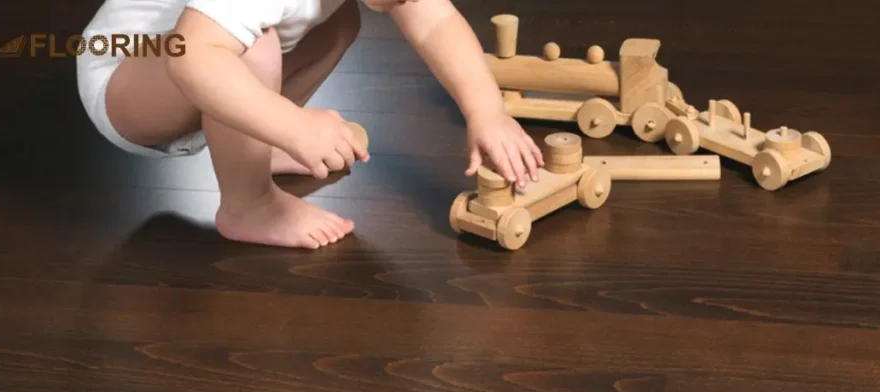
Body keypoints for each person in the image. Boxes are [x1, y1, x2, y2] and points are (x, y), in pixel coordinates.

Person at [76, 0, 544, 249]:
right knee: (249, 48)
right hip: (125, 78)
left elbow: (436, 22)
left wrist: (487, 111)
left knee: (339, 23)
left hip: (194, 63)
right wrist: (295, 125)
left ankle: (258, 145)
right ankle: (249, 204)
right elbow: (193, 59)